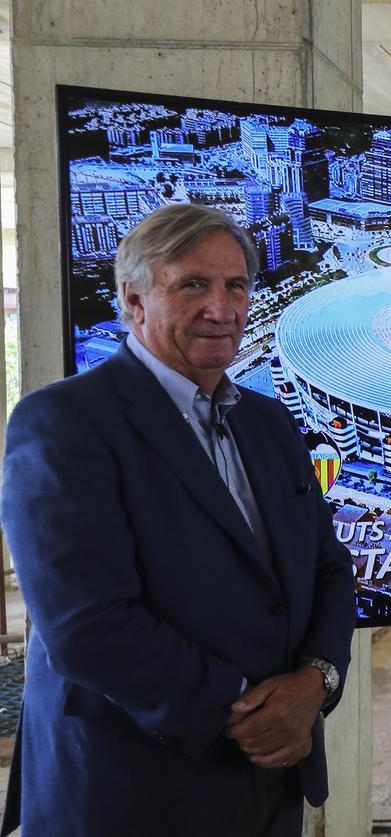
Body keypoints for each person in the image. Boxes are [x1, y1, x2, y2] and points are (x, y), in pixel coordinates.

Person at [2, 204, 356, 836]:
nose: (222, 308)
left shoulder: (267, 422)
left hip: (271, 780)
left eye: (237, 285)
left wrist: (315, 683)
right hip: (135, 787)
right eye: (193, 284)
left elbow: (327, 565)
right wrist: (255, 712)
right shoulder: (63, 422)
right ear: (134, 300)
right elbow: (88, 624)